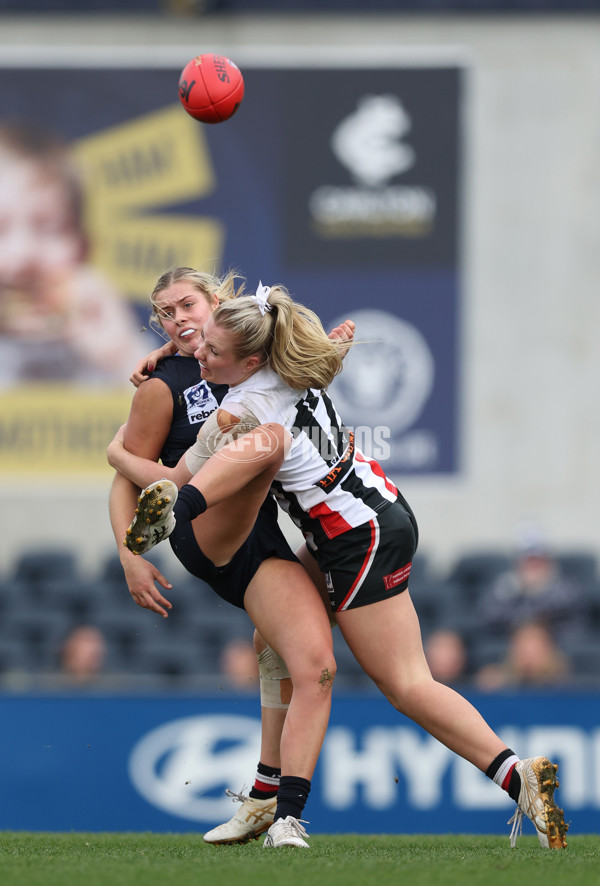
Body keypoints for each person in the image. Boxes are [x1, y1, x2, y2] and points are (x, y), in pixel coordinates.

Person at [108, 280, 568, 851]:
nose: (199, 349)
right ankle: (269, 796)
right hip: (371, 511)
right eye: (173, 321)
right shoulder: (287, 364)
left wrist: (118, 455)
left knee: (403, 683)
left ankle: (289, 817)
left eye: (211, 348)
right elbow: (311, 343)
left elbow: (193, 464)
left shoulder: (244, 406)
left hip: (353, 535)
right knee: (274, 642)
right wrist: (329, 341)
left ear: (248, 358)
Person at [108, 267, 354, 848]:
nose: (177, 320)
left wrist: (331, 347)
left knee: (294, 657)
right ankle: (279, 811)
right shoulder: (162, 383)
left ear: (217, 302)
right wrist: (130, 553)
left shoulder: (251, 350)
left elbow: (285, 327)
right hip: (208, 531)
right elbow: (128, 484)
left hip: (260, 533)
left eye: (186, 305)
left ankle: (265, 801)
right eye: (165, 314)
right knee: (261, 441)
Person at [0, 121, 145, 386]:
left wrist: (120, 357)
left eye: (50, 229)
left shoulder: (110, 346)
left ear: (84, 248)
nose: (22, 255)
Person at [479, 521, 587, 645]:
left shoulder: (566, 589)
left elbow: (572, 623)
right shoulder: (505, 588)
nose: (534, 565)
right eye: (529, 560)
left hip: (556, 648)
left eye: (538, 560)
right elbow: (490, 616)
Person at [476, 621, 572, 691]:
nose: (528, 656)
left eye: (534, 649)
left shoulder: (564, 689)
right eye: (523, 649)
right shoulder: (500, 684)